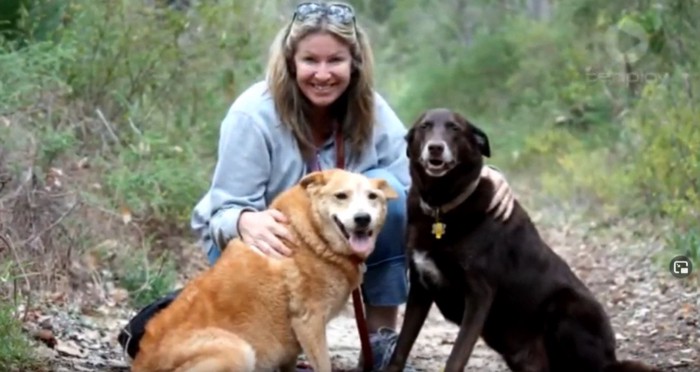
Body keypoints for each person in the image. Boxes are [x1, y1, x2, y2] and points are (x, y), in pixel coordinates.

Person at [118, 2, 516, 370]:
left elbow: (413, 172)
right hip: (264, 238)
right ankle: (227, 326)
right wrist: (244, 221)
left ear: (354, 64)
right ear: (291, 62)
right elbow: (221, 210)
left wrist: (479, 173)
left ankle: (379, 340)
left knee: (389, 202)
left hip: (337, 236)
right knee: (258, 294)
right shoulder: (252, 115)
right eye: (310, 60)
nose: (323, 73)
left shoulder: (370, 109)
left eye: (335, 60)